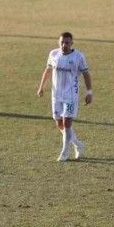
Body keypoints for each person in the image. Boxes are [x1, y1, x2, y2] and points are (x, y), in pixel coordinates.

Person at [37, 32, 93, 162]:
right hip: (56, 95)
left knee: (67, 123)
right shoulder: (53, 54)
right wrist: (41, 87)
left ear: (72, 43)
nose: (64, 45)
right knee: (59, 124)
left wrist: (89, 92)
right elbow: (48, 70)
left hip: (70, 95)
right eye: (62, 42)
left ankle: (65, 152)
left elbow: (86, 74)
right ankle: (78, 144)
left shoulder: (79, 56)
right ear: (59, 42)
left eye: (67, 42)